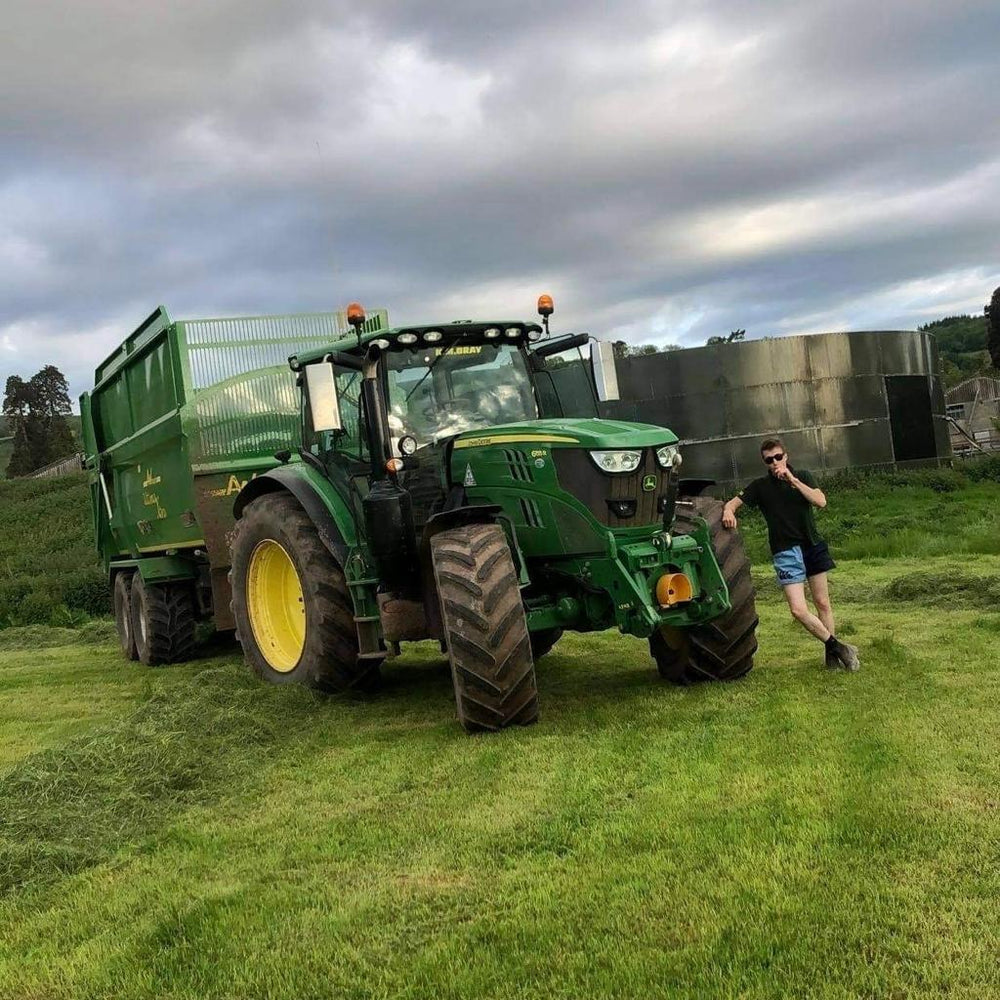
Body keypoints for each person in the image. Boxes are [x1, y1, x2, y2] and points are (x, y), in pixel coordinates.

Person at [721, 438, 860, 671]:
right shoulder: (760, 487)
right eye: (769, 460)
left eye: (778, 457)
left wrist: (793, 480)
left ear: (786, 456)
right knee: (798, 609)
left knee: (822, 602)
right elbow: (733, 503)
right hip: (785, 551)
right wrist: (727, 511)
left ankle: (832, 658)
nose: (775, 462)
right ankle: (838, 647)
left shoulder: (803, 476)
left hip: (812, 545)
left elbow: (821, 501)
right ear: (764, 462)